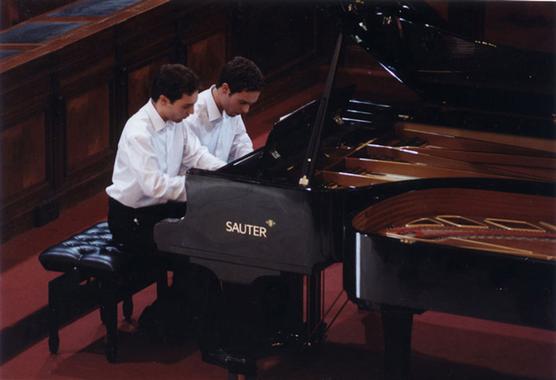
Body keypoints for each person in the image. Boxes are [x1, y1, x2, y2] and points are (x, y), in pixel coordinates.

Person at [106, 64, 226, 253]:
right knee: (196, 251)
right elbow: (156, 186)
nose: (192, 112)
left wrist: (227, 172)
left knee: (218, 228)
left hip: (163, 208)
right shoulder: (138, 132)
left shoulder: (177, 121)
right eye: (186, 106)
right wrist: (203, 187)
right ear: (163, 100)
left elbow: (197, 155)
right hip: (133, 219)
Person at [185, 56, 263, 163]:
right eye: (243, 102)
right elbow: (196, 161)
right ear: (225, 89)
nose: (246, 110)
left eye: (250, 104)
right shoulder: (190, 118)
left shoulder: (231, 108)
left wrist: (250, 164)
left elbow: (240, 141)